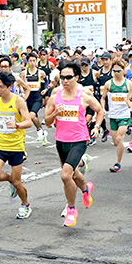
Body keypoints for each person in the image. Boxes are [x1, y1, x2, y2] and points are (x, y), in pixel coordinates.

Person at [44, 62, 103, 227]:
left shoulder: (84, 96)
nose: (65, 80)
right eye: (62, 77)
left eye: (68, 77)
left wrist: (97, 127)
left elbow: (100, 110)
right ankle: (86, 189)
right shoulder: (55, 97)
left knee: (65, 175)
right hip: (61, 141)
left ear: (77, 78)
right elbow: (47, 122)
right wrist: (55, 113)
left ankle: (71, 209)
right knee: (75, 174)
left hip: (79, 140)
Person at [0, 71, 33, 219]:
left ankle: (25, 205)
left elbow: (28, 121)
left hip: (16, 146)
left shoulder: (18, 101)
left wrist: (17, 125)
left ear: (10, 86)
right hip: (0, 144)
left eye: (1, 87)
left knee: (18, 183)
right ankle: (10, 179)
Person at [100, 58, 132, 173]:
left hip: (124, 115)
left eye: (119, 71)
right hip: (113, 115)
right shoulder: (108, 83)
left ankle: (118, 163)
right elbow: (103, 98)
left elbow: (130, 99)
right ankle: (127, 127)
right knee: (115, 142)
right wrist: (103, 108)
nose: (116, 73)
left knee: (120, 138)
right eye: (114, 71)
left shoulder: (128, 84)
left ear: (124, 70)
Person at [21, 53, 48, 146]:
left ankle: (40, 131)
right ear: (27, 62)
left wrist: (45, 89)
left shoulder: (41, 72)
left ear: (36, 61)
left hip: (37, 97)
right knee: (34, 117)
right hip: (28, 97)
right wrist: (22, 93)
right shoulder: (24, 72)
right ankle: (41, 131)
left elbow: (46, 82)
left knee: (31, 115)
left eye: (34, 61)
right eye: (30, 61)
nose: (32, 63)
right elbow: (21, 84)